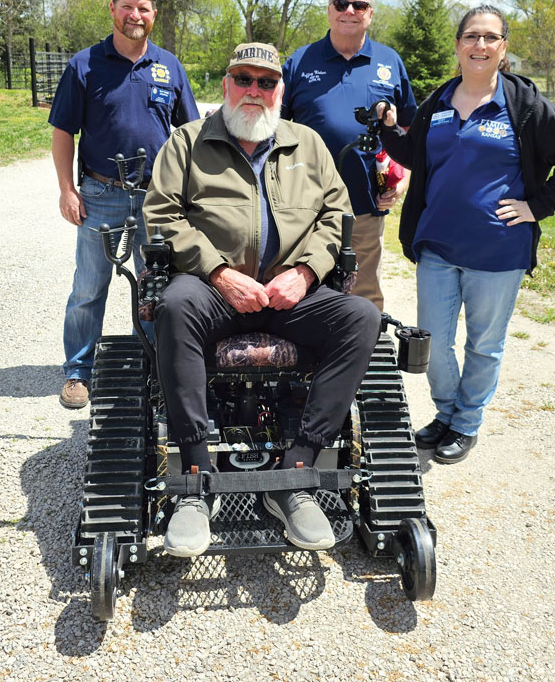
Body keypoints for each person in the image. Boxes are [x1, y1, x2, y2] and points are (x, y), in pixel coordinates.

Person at [142, 42, 382, 557]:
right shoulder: (186, 143)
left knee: (362, 317)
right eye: (243, 79)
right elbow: (162, 214)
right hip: (211, 290)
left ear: (280, 90)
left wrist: (306, 270)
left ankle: (297, 473)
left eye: (266, 82)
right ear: (226, 83)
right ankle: (195, 480)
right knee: (175, 306)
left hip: (289, 292)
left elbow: (336, 218)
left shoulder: (308, 145)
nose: (254, 90)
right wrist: (219, 272)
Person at [378, 4, 555, 464]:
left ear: (503, 47)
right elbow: (416, 154)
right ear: (457, 46)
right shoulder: (439, 100)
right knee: (432, 340)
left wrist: (538, 206)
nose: (480, 45)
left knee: (483, 343)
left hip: (498, 250)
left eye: (490, 37)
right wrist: (388, 127)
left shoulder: (524, 105)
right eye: (471, 36)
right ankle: (445, 412)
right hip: (436, 244)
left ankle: (466, 422)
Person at [49, 0, 199, 409]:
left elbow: (189, 132)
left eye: (144, 8)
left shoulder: (169, 66)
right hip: (100, 193)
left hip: (157, 198)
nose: (136, 14)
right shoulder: (85, 64)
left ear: (154, 14)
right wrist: (66, 189)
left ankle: (156, 367)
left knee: (158, 288)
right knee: (89, 287)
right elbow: (62, 132)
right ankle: (78, 371)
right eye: (128, 6)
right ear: (113, 9)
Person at [281, 0, 417, 310]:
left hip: (365, 206)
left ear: (370, 14)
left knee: (364, 292)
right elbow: (275, 131)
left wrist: (403, 177)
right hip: (305, 206)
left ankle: (364, 358)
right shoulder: (299, 62)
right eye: (340, 3)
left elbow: (410, 132)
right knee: (303, 289)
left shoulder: (390, 62)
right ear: (328, 10)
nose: (349, 11)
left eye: (359, 5)